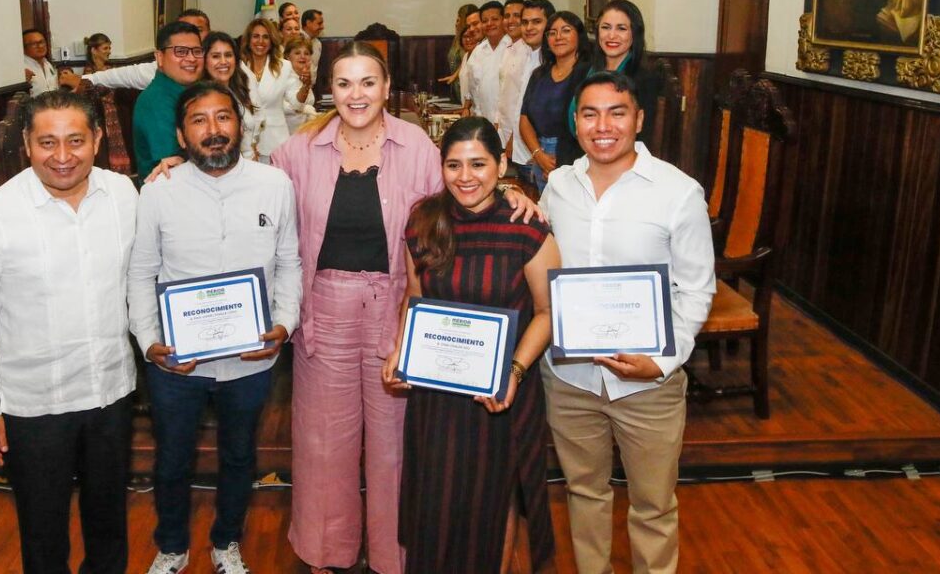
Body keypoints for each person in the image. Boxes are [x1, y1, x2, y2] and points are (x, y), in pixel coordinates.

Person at [271, 42, 540, 574]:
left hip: (400, 309)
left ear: (387, 88)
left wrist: (511, 191)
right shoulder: (297, 151)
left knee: (395, 443)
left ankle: (395, 556)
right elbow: (251, 194)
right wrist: (176, 164)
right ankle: (327, 551)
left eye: (368, 82)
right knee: (324, 442)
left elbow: (464, 193)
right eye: (344, 83)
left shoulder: (416, 145)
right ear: (331, 89)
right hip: (324, 309)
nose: (356, 94)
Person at [0, 89, 139, 574]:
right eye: (47, 142)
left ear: (96, 140)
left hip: (110, 393)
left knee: (110, 522)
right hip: (33, 406)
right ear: (27, 147)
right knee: (42, 531)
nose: (62, 156)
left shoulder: (123, 196)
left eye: (75, 140)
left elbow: (143, 279)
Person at [540, 71, 714, 574]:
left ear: (638, 119)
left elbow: (696, 288)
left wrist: (660, 363)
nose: (603, 126)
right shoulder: (558, 186)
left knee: (654, 505)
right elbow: (543, 263)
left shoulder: (677, 193)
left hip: (647, 384)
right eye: (590, 114)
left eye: (617, 113)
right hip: (571, 377)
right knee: (584, 492)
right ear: (576, 123)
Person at [129, 81, 300, 574]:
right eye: (199, 121)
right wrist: (149, 342)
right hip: (177, 361)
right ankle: (172, 546)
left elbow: (290, 262)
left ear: (239, 124)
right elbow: (141, 271)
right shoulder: (159, 190)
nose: (213, 130)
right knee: (172, 459)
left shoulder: (275, 185)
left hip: (251, 359)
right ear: (182, 136)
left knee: (240, 456)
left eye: (223, 117)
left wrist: (284, 324)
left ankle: (227, 541)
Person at [383, 117, 558, 574]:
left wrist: (514, 373)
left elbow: (548, 312)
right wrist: (401, 351)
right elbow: (414, 297)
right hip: (436, 393)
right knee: (435, 501)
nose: (466, 177)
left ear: (502, 164)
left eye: (479, 164)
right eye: (454, 165)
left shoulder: (529, 228)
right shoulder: (423, 222)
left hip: (499, 394)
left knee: (493, 501)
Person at [569, 0, 662, 142]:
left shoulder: (644, 79)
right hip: (578, 159)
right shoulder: (581, 71)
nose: (611, 35)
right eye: (606, 27)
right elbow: (565, 129)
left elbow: (643, 136)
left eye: (621, 28)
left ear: (634, 34)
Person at [521, 10, 590, 192]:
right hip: (540, 155)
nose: (558, 37)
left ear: (579, 35)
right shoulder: (539, 74)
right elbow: (525, 118)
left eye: (566, 30)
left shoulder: (588, 73)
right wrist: (539, 155)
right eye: (552, 32)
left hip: (574, 157)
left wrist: (560, 162)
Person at [62, 9, 212, 91]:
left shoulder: (220, 62)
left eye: (198, 30)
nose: (190, 36)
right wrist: (86, 80)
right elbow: (124, 75)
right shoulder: (164, 69)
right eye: (182, 30)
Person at [133, 20, 203, 180]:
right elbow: (173, 162)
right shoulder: (155, 100)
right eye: (181, 51)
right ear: (159, 57)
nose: (191, 58)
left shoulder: (193, 92)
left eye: (197, 51)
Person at [241, 17, 308, 163]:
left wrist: (306, 86)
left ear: (272, 41)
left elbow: (296, 104)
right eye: (256, 36)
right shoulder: (238, 68)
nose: (260, 41)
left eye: (266, 37)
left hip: (275, 141)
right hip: (244, 143)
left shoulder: (284, 67)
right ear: (248, 39)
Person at [504, 0, 555, 185]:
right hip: (524, 154)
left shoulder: (553, 63)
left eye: (536, 22)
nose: (529, 27)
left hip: (543, 157)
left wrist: (538, 153)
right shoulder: (527, 55)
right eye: (525, 22)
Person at [203, 30, 263, 158]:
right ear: (204, 61)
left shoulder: (239, 89)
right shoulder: (202, 98)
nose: (224, 61)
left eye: (228, 55)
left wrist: (251, 148)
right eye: (216, 56)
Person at [493, 0, 539, 165]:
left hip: (519, 137)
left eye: (516, 16)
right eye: (506, 16)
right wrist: (497, 122)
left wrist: (514, 136)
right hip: (503, 132)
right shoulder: (508, 48)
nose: (510, 20)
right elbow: (503, 90)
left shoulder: (530, 52)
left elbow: (524, 98)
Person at [81, 32, 131, 176]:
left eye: (109, 48)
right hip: (101, 117)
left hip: (116, 114)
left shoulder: (111, 69)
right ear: (94, 50)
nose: (109, 52)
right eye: (105, 48)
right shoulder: (89, 73)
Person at [465, 0, 510, 121]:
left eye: (495, 19)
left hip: (507, 124)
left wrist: (498, 121)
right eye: (484, 21)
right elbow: (474, 90)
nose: (489, 24)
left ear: (503, 20)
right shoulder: (478, 52)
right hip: (483, 121)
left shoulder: (513, 48)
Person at [441, 3, 480, 103]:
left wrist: (455, 75)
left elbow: (469, 60)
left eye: (458, 20)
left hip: (467, 89)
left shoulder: (472, 41)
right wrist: (454, 75)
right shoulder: (458, 39)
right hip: (458, 89)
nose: (456, 23)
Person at [283, 34, 317, 133]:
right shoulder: (286, 78)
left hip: (303, 132)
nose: (302, 56)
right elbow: (296, 106)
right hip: (287, 134)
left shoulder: (303, 76)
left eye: (306, 53)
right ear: (287, 57)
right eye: (297, 53)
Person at [22, 29, 59, 96]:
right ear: (24, 48)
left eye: (42, 42)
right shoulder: (22, 67)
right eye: (34, 44)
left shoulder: (47, 64)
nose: (40, 46)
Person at [301, 8, 325, 76]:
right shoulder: (296, 41)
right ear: (308, 23)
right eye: (319, 23)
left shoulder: (318, 44)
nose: (322, 27)